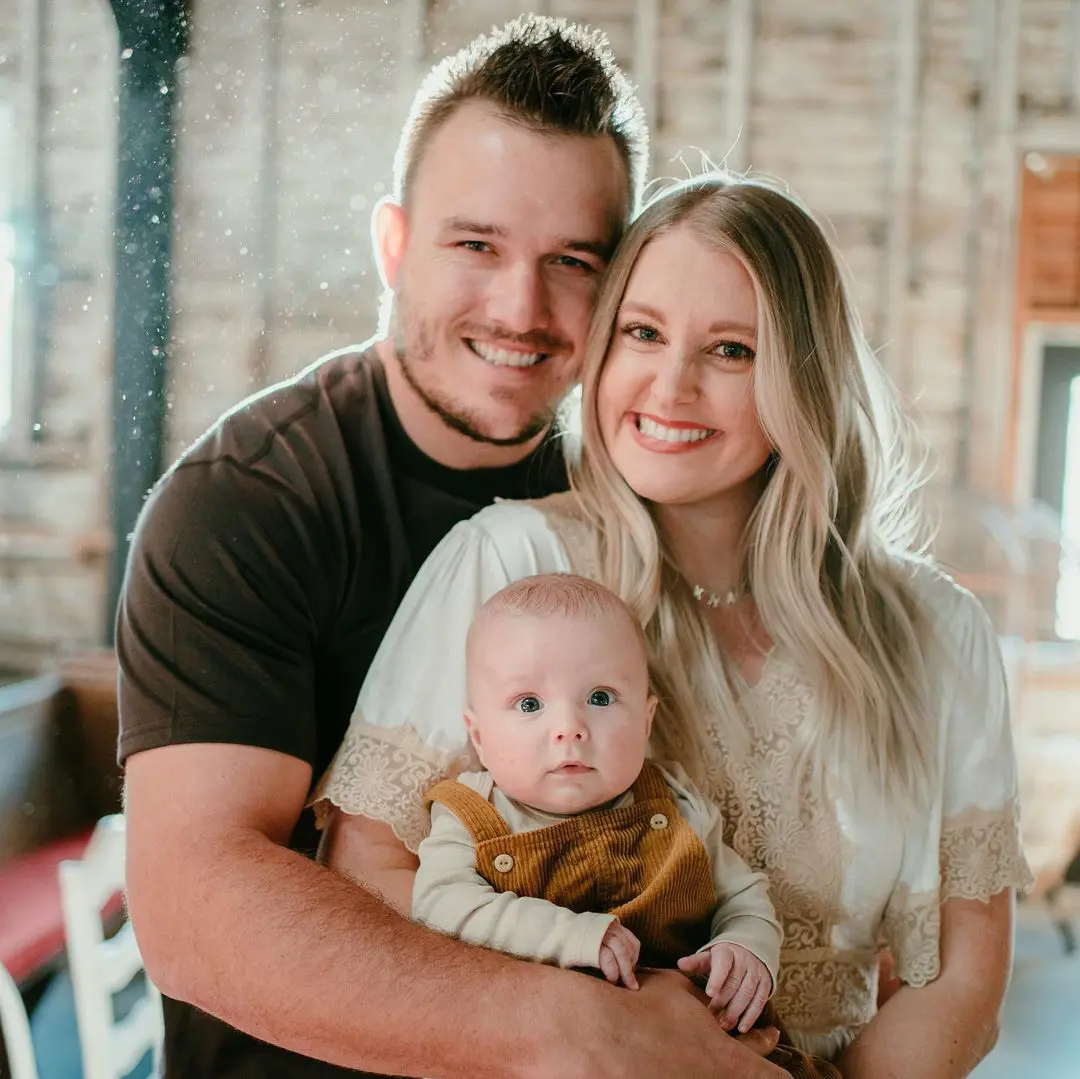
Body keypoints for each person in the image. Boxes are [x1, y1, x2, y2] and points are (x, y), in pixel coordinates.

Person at [118, 15, 785, 1079]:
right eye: (474, 245)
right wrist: (594, 1032)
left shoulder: (639, 483)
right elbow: (195, 903)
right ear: (392, 243)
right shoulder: (246, 500)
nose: (520, 310)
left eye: (573, 261)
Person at [315, 169, 1036, 1076]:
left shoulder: (939, 629)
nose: (671, 384)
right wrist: (602, 1032)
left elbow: (966, 971)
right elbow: (368, 875)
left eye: (732, 350)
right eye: (642, 332)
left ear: (804, 377)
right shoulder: (507, 562)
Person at [411, 572, 844, 1079]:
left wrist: (746, 947)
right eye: (529, 704)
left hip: (707, 1046)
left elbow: (743, 895)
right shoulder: (473, 816)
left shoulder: (677, 803)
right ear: (479, 737)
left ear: (645, 719)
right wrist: (570, 935)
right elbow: (440, 906)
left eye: (599, 697)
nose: (568, 727)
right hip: (548, 1055)